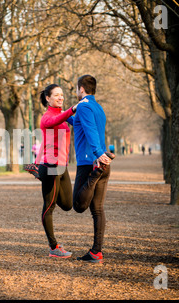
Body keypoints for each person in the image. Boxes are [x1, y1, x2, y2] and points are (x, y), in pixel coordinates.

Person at [67, 75, 114, 264]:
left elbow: (90, 130)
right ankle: (96, 252)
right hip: (103, 163)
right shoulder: (97, 107)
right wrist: (63, 116)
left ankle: (94, 176)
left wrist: (96, 153)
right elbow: (80, 123)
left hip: (90, 163)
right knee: (97, 209)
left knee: (79, 205)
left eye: (77, 89)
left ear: (81, 89)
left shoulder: (84, 106)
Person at [27, 84, 77, 258]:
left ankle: (37, 170)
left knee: (68, 204)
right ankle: (54, 247)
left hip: (62, 166)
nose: (60, 97)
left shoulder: (63, 116)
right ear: (48, 98)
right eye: (56, 95)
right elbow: (53, 121)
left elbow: (74, 122)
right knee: (49, 206)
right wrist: (72, 109)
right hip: (51, 166)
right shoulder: (47, 117)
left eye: (62, 95)